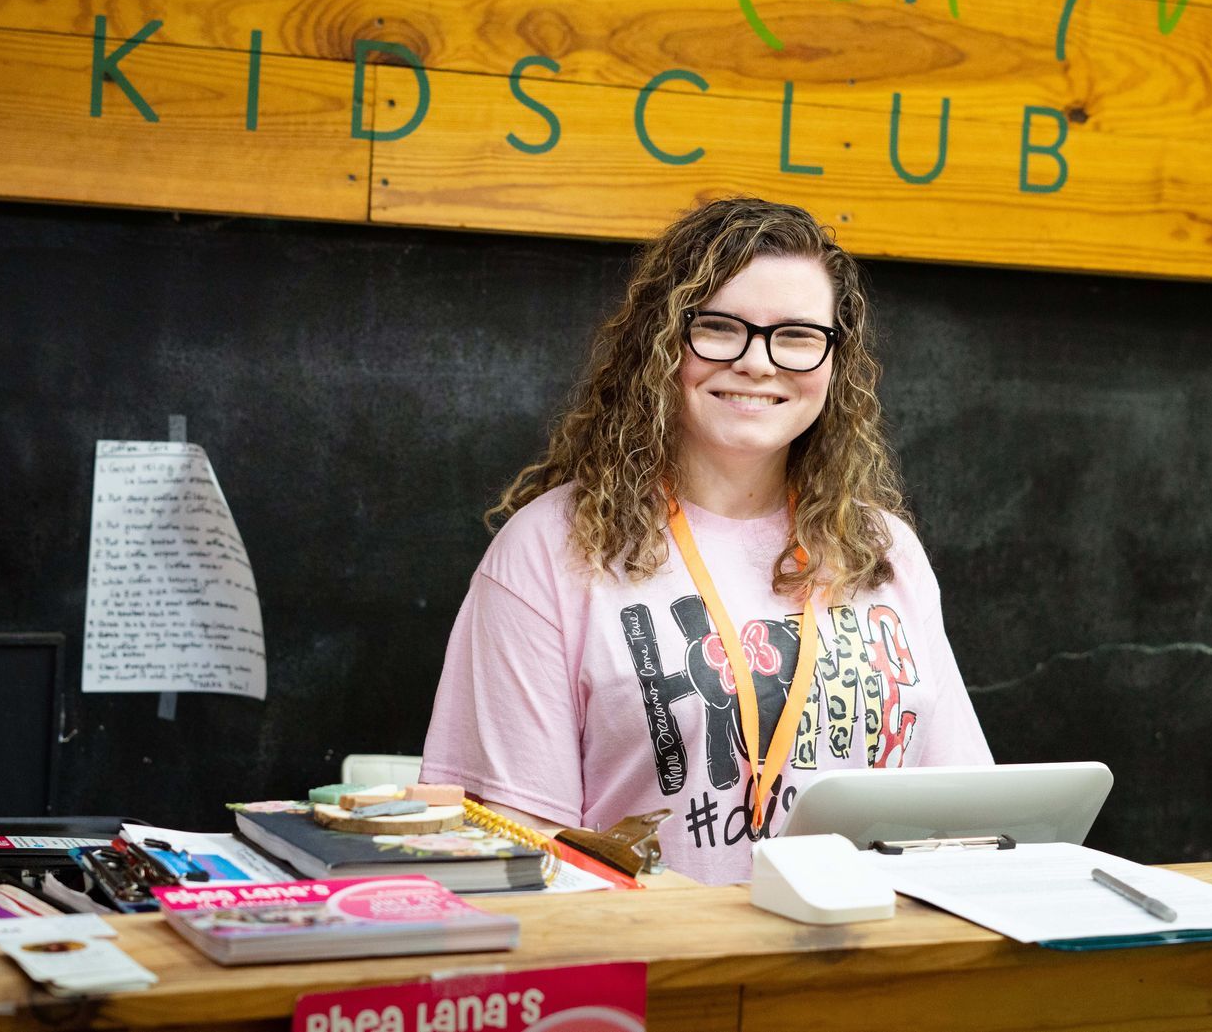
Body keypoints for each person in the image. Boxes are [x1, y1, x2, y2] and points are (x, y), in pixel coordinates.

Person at [420, 198, 992, 884]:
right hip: (660, 976)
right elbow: (518, 851)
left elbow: (968, 816)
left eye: (798, 336)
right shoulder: (548, 550)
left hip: (868, 970)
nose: (758, 362)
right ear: (662, 344)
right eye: (720, 328)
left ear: (835, 362)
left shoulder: (881, 548)